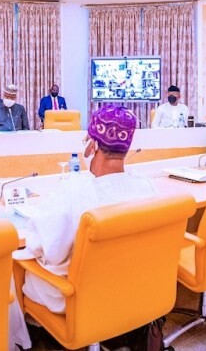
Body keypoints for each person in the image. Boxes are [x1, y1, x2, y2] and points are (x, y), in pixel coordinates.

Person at [20, 105, 157, 312]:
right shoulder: (147, 187)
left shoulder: (73, 192)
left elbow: (46, 249)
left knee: (18, 264)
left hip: (81, 299)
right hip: (131, 287)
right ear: (126, 148)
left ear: (92, 145)